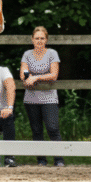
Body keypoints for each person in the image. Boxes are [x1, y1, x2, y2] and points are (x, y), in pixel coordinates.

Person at [20, 26, 63, 167]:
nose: (39, 40)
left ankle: (59, 159)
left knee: (52, 128)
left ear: (46, 40)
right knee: (37, 130)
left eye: (42, 38)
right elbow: (23, 73)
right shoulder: (27, 54)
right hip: (31, 98)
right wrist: (28, 77)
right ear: (32, 39)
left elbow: (54, 75)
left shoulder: (52, 53)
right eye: (37, 38)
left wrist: (36, 77)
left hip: (49, 97)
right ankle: (41, 160)